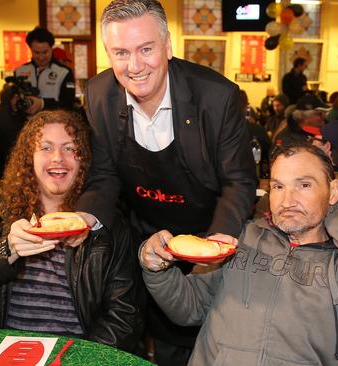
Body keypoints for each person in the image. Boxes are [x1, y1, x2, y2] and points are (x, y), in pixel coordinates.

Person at [75, 1, 257, 364]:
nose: (135, 66)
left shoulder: (216, 96)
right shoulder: (98, 95)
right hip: (148, 237)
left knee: (211, 338)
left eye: (146, 49)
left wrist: (219, 238)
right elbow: (106, 173)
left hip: (210, 236)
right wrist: (85, 217)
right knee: (159, 339)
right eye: (121, 53)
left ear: (168, 46)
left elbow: (238, 179)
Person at [140, 144, 338, 366]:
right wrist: (158, 269)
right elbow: (188, 308)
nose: (287, 200)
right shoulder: (241, 238)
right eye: (278, 186)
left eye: (304, 185)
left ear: (332, 191)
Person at [0, 110, 143, 351]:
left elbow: (125, 316)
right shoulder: (0, 212)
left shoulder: (105, 223)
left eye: (70, 148)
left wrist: (78, 358)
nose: (58, 158)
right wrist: (7, 249)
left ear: (85, 160)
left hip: (76, 355)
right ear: (30, 157)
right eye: (46, 148)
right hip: (8, 351)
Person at [14, 26, 75, 114]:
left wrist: (43, 104)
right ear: (30, 49)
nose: (41, 57)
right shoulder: (20, 71)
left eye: (45, 52)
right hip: (26, 124)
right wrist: (14, 105)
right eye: (37, 53)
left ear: (51, 48)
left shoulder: (64, 72)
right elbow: (14, 106)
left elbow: (68, 105)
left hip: (54, 124)